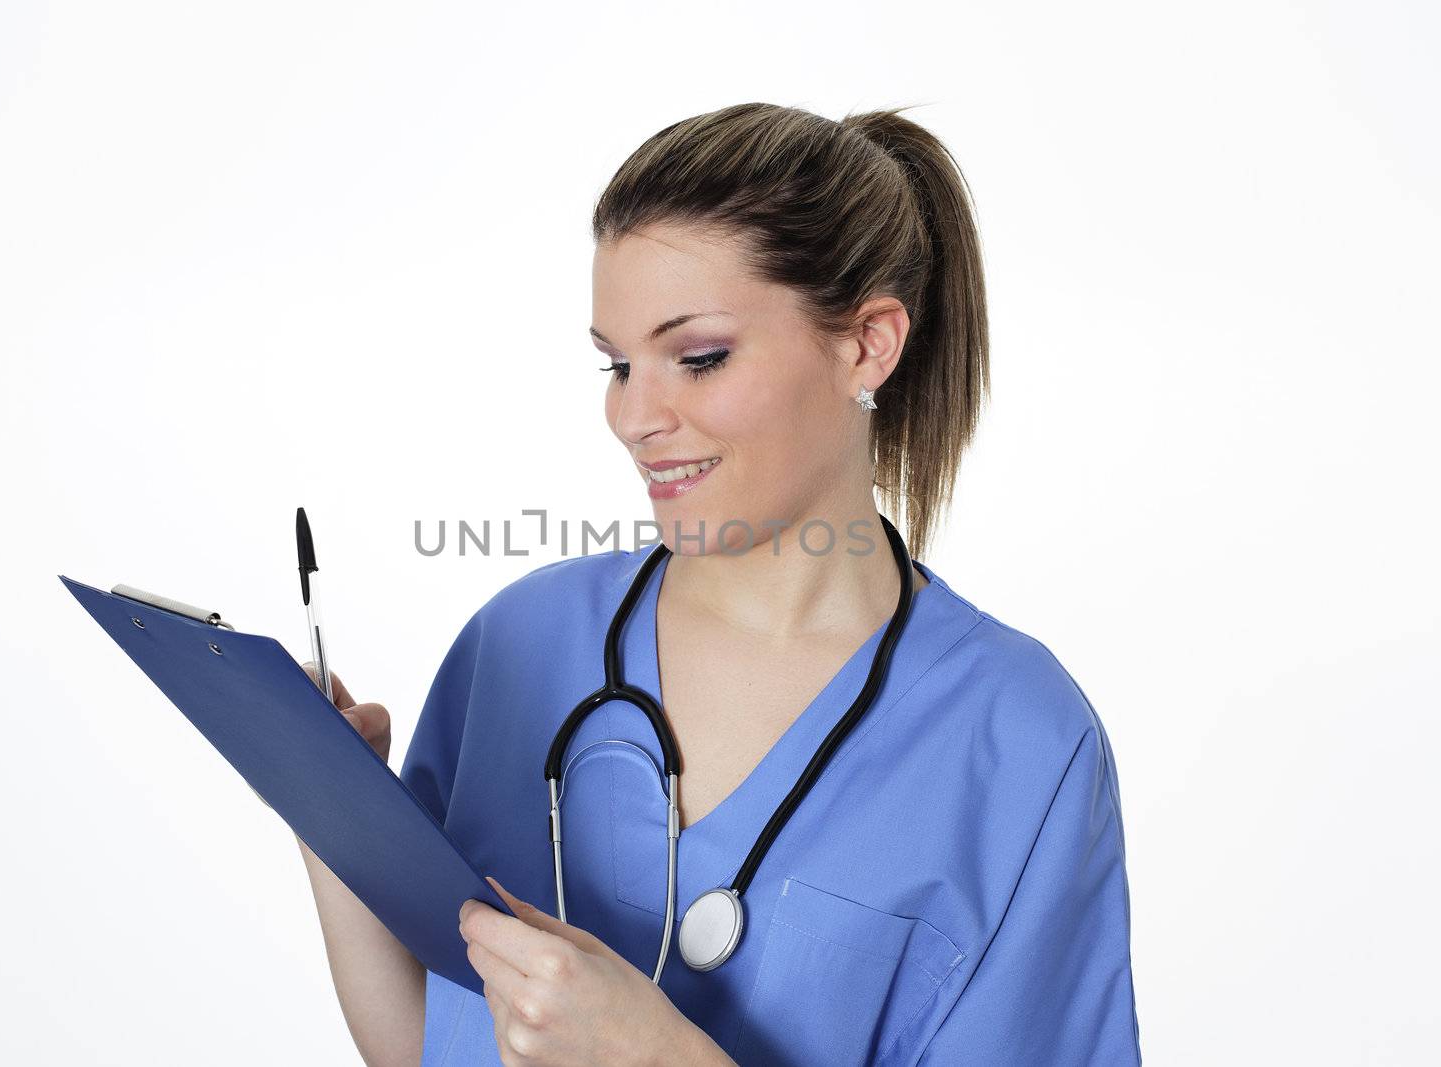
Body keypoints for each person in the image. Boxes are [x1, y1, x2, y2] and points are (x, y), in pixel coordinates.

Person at [298, 102, 1141, 1066]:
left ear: (867, 343)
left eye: (697, 357)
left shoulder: (1019, 744)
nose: (634, 417)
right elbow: (429, 1044)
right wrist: (325, 811)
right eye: (618, 364)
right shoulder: (520, 644)